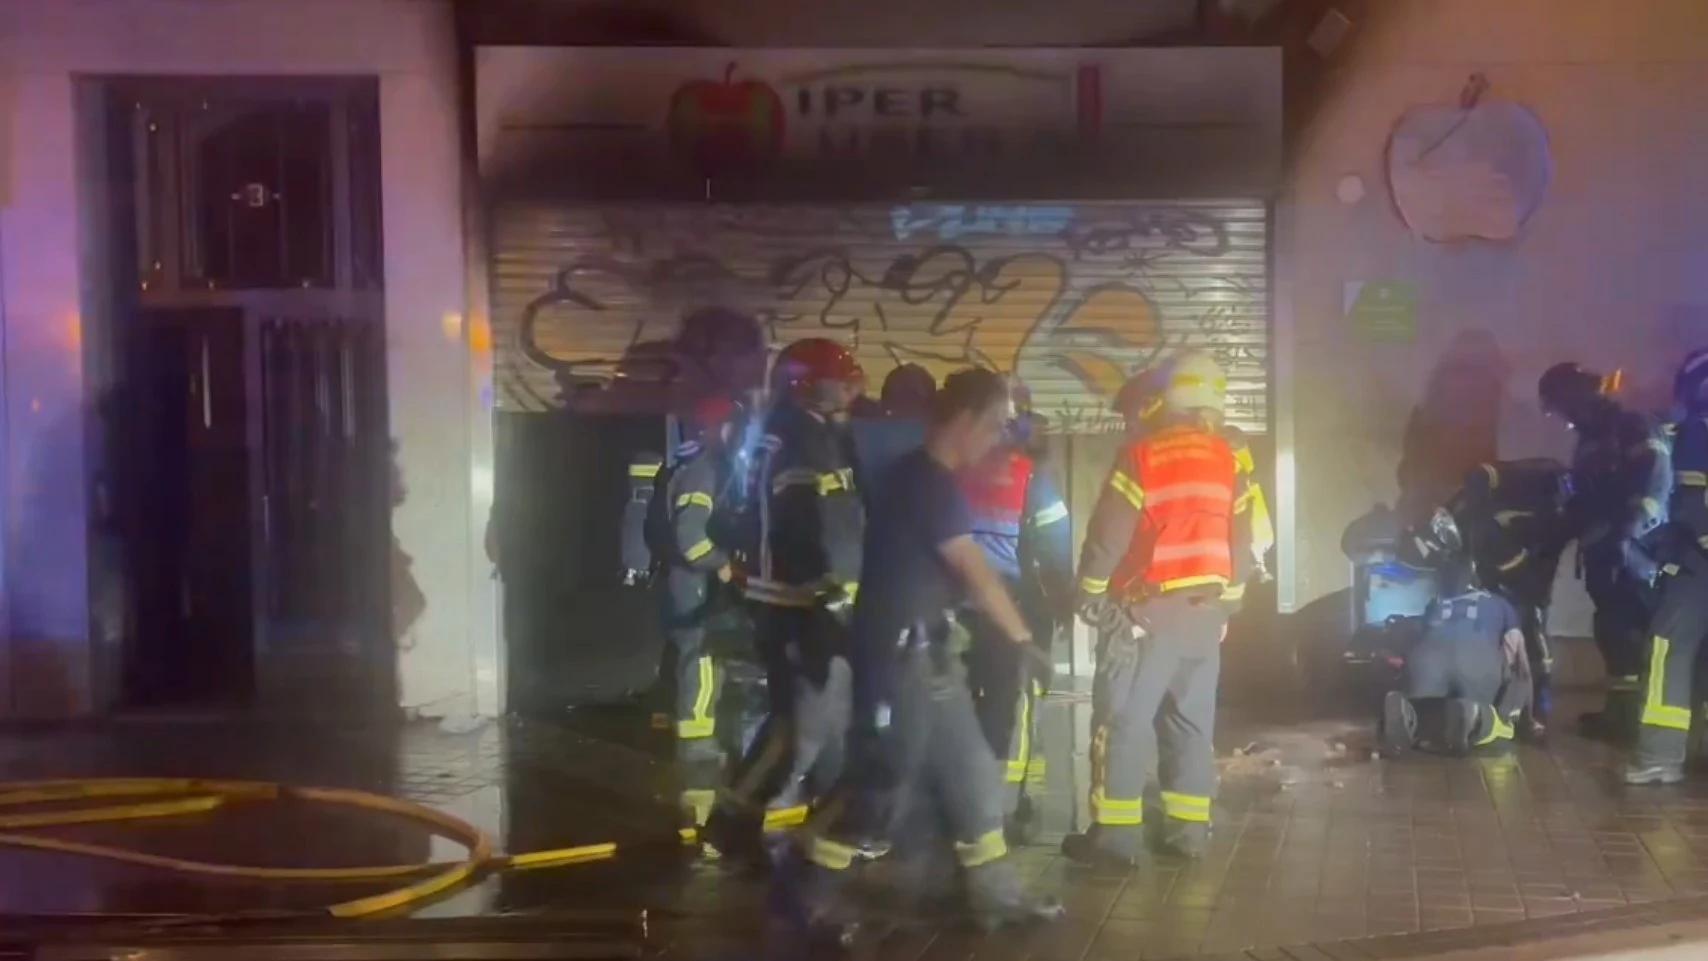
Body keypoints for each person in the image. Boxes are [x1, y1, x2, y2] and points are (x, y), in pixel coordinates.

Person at [780, 367, 1063, 940]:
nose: (999, 437)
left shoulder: (929, 478)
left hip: (932, 656)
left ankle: (996, 893)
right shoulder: (926, 481)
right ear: (965, 419)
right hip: (897, 661)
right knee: (879, 784)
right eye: (995, 424)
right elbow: (975, 571)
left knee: (973, 773)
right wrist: (1022, 639)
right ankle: (803, 894)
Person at [1062, 351, 1244, 867]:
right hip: (1205, 618)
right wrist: (1225, 605)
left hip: (1145, 614)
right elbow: (1248, 544)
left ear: (1158, 403)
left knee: (1122, 720)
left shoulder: (1145, 455)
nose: (1131, 421)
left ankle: (1115, 839)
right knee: (1190, 724)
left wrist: (1091, 595)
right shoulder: (1230, 459)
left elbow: (1108, 538)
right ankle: (1188, 831)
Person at [700, 338, 866, 865]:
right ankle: (732, 821)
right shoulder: (799, 439)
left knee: (802, 724)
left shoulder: (793, 433)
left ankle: (740, 820)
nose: (849, 389)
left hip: (790, 601)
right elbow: (804, 523)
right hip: (800, 604)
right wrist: (830, 590)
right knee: (798, 727)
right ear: (805, 386)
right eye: (837, 380)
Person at [960, 377, 1074, 846]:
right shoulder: (1032, 475)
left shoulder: (953, 467)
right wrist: (1066, 601)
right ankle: (1004, 807)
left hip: (958, 605)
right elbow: (1056, 548)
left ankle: (965, 798)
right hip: (1016, 607)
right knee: (1016, 705)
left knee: (966, 701)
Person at [1539, 362, 1670, 740]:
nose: (1564, 419)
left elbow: (1655, 481)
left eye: (1563, 408)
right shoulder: (1590, 440)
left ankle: (1647, 721)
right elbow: (1584, 502)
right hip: (1605, 554)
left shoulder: (1632, 425)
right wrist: (1553, 542)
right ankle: (1622, 714)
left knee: (1638, 633)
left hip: (1638, 554)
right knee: (1612, 631)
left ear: (1578, 398)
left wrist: (1628, 534)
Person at [1435, 458, 1574, 736]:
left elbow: (1545, 554)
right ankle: (1490, 702)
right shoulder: (1476, 502)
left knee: (1530, 628)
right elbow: (1479, 476)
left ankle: (1531, 710)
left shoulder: (1553, 509)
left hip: (1524, 567)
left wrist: (1528, 579)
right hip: (1497, 562)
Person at [1382, 509, 1533, 757]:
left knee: (1427, 710)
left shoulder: (1436, 604)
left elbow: (1417, 638)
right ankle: (1477, 717)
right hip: (1476, 668)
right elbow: (1521, 666)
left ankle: (1409, 714)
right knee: (1511, 689)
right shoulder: (1500, 603)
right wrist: (1526, 718)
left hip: (1426, 664)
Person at [1625, 348, 1708, 784]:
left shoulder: (1698, 431)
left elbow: (1692, 503)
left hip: (1697, 565)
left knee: (1668, 649)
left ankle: (1660, 756)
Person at [649, 395, 740, 763]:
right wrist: (722, 563)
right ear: (719, 429)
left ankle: (676, 725)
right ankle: (697, 742)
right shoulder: (704, 471)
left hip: (680, 580)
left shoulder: (690, 466)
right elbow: (691, 540)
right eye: (734, 426)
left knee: (684, 652)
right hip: (693, 581)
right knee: (702, 655)